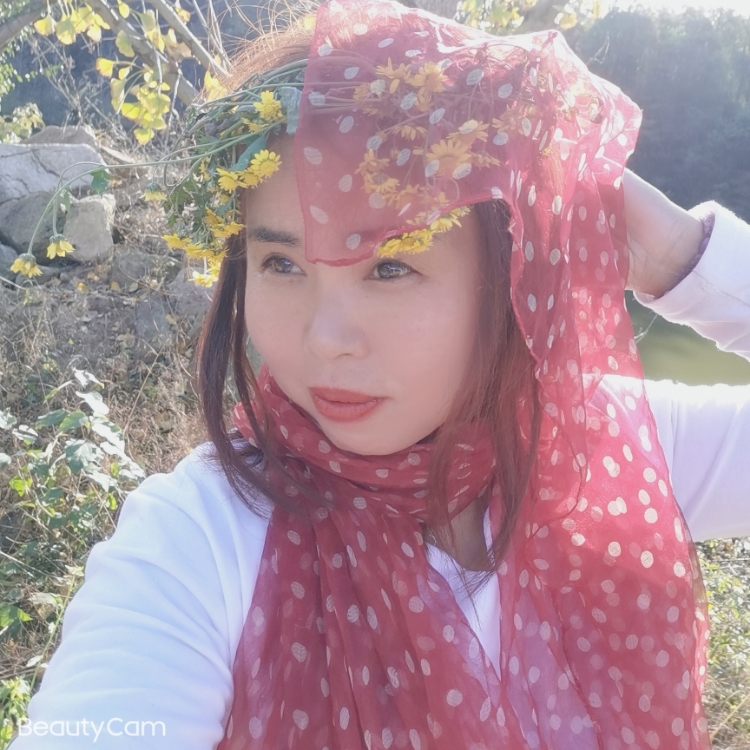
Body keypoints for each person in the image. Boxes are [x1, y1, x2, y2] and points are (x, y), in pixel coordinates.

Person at [8, 0, 750, 747]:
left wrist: (680, 257)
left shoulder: (608, 451)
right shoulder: (196, 541)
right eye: (281, 264)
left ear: (512, 272)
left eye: (389, 267)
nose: (325, 340)